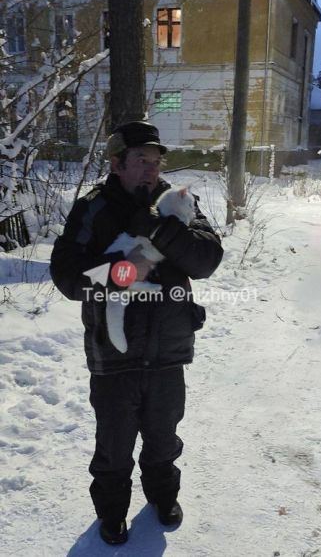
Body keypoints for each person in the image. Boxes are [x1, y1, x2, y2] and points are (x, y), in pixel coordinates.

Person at [50, 121, 223, 545]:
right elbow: (69, 277)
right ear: (117, 163)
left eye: (156, 160)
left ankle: (163, 497)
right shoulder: (93, 208)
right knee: (114, 446)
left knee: (164, 439)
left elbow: (205, 259)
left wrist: (158, 229)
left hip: (168, 350)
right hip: (113, 356)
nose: (150, 169)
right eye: (141, 160)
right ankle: (111, 514)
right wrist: (125, 271)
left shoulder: (177, 202)